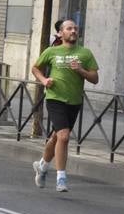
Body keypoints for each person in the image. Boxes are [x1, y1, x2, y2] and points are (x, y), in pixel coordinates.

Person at [30, 19, 99, 194]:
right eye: (69, 28)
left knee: (56, 137)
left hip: (74, 101)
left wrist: (81, 71)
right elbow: (36, 68)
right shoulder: (52, 51)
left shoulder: (85, 53)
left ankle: (42, 166)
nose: (73, 31)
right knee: (64, 136)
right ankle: (61, 177)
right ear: (61, 33)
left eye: (75, 28)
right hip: (55, 98)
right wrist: (45, 80)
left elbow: (94, 78)